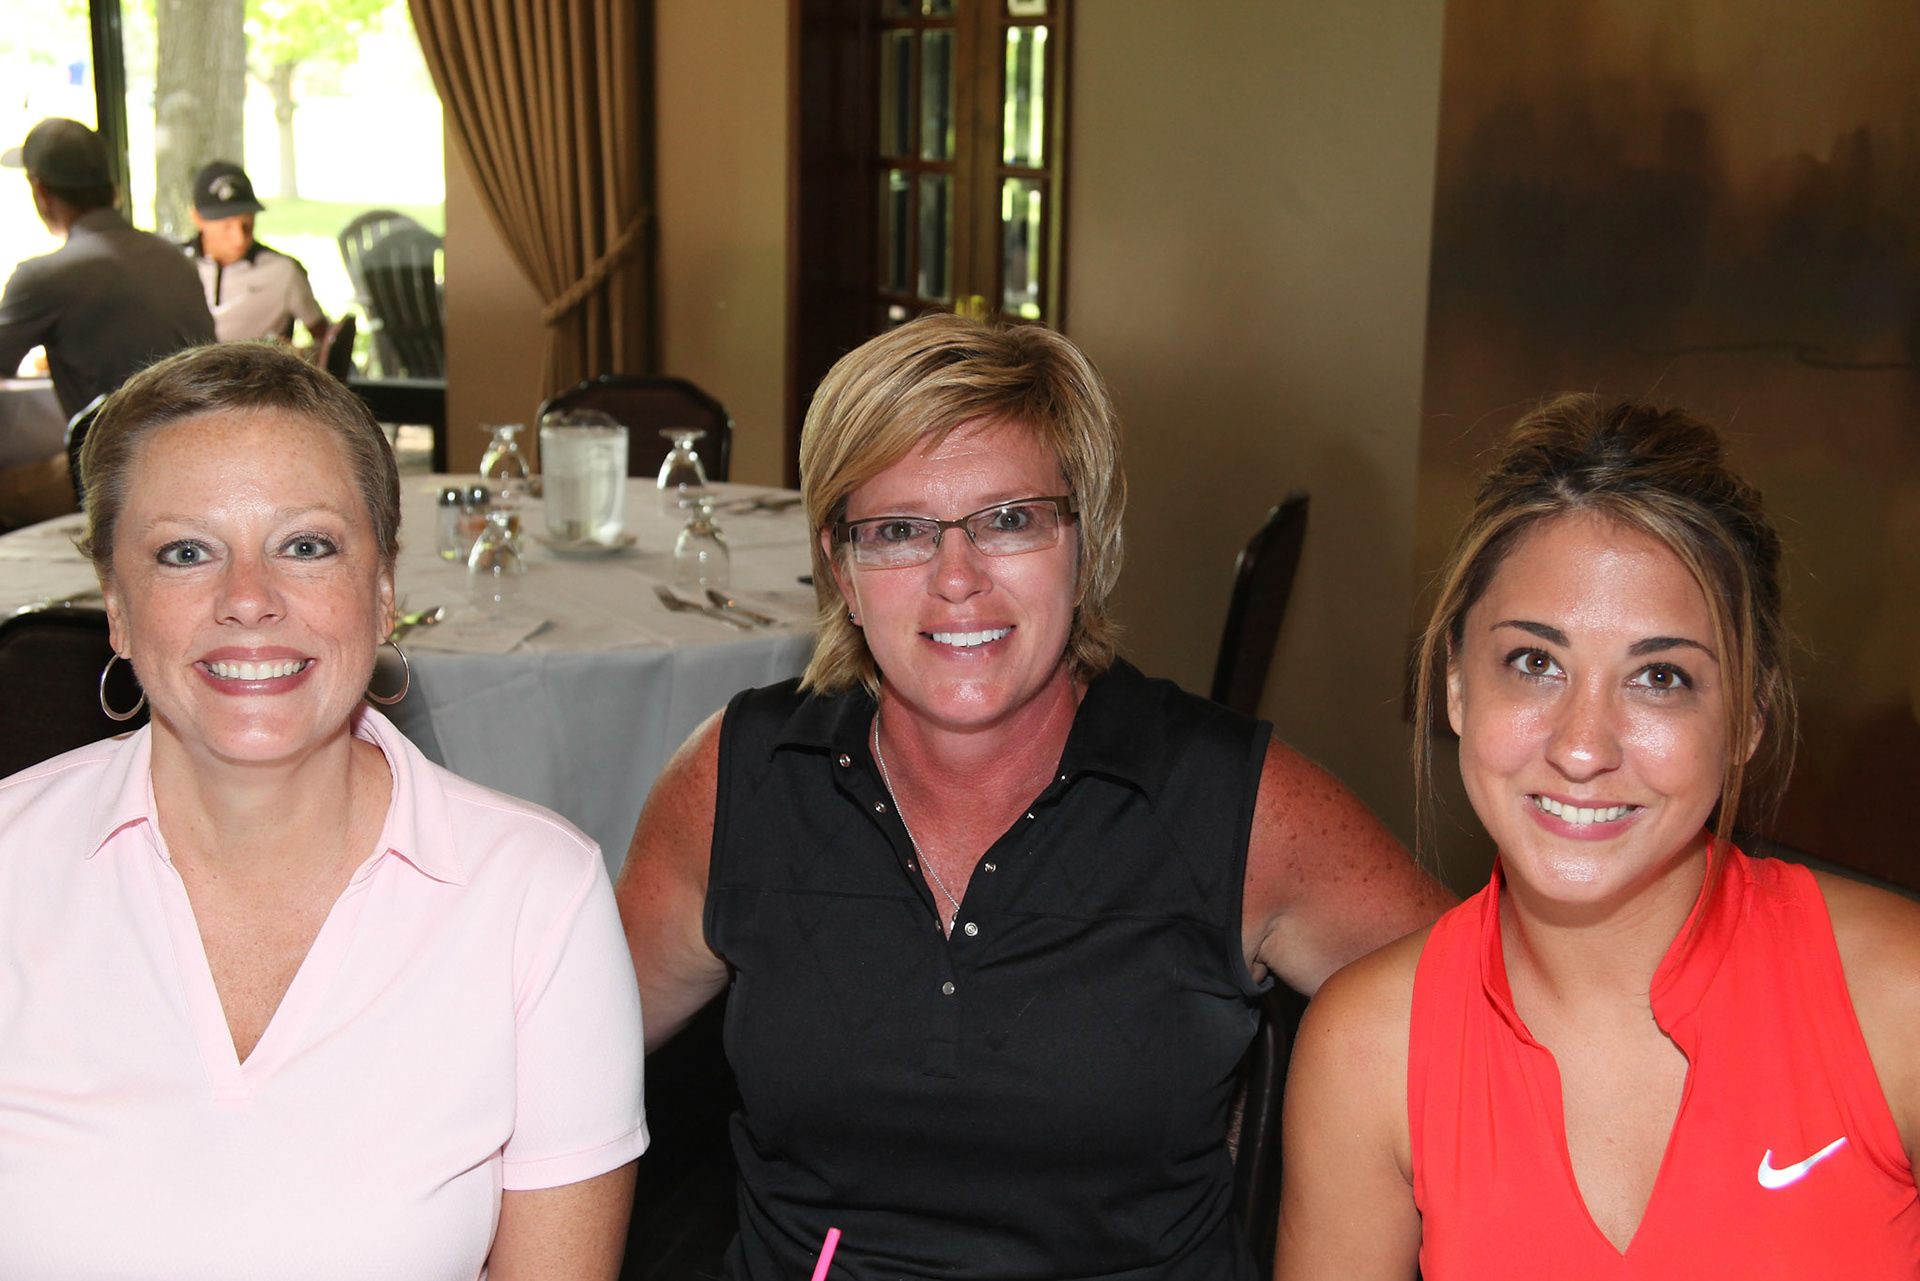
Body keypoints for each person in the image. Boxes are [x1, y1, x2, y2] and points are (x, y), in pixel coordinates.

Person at [617, 313, 1453, 1281]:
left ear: (1082, 543)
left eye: (1011, 519)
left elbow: (1506, 1039)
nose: (957, 578)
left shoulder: (1231, 805)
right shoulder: (741, 784)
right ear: (840, 570)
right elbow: (550, 1072)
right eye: (897, 532)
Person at [0, 342, 645, 1278]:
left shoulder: (535, 899)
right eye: (186, 551)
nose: (249, 599)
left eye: (306, 545)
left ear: (383, 591)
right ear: (116, 607)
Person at [1276, 396, 1920, 1278]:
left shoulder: (1898, 1005)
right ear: (1457, 684)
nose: (1583, 746)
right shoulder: (1367, 1050)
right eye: (1535, 662)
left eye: (1660, 677)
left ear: (1748, 720)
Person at [0, 118, 213, 419]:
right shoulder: (175, 258)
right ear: (111, 188)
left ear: (42, 192)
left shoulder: (43, 278)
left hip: (117, 461)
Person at [183, 160, 332, 345]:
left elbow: (326, 339)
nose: (240, 237)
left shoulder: (283, 271)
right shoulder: (173, 268)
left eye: (247, 223)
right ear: (197, 218)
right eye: (226, 226)